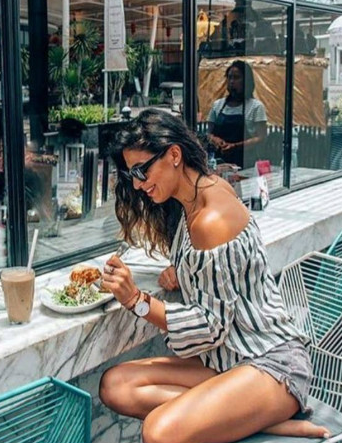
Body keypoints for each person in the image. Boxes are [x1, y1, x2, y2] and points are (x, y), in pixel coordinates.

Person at [99, 109, 328, 443]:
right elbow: (223, 270)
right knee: (115, 386)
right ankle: (255, 422)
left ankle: (247, 417)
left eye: (141, 170)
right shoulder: (202, 191)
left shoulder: (210, 220)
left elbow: (211, 326)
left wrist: (136, 300)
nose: (136, 183)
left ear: (173, 155)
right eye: (130, 174)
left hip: (271, 364)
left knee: (158, 432)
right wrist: (184, 269)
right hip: (227, 360)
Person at [206, 60, 267, 168]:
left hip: (246, 164)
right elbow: (208, 133)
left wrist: (235, 146)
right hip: (220, 164)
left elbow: (261, 138)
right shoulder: (217, 105)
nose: (232, 81)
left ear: (247, 81)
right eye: (229, 77)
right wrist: (216, 140)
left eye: (236, 77)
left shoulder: (256, 107)